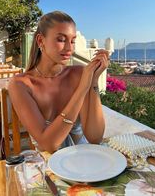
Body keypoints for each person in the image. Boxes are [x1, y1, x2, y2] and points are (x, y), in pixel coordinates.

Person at [8, 11, 109, 153]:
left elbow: (95, 137)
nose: (69, 48)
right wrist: (82, 89)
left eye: (72, 41)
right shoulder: (21, 85)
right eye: (61, 40)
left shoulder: (79, 74)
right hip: (49, 170)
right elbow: (48, 145)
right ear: (40, 41)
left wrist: (93, 81)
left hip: (85, 161)